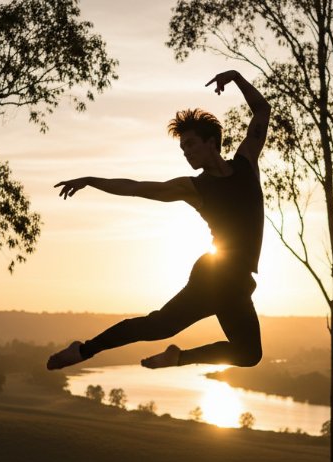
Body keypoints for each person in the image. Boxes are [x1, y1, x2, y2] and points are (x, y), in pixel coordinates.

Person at [47, 70, 270, 370]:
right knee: (157, 327)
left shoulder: (246, 163)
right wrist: (91, 180)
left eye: (191, 144)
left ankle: (177, 357)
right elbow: (137, 188)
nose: (186, 153)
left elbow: (262, 110)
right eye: (183, 149)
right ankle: (85, 350)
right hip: (216, 275)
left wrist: (235, 77)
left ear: (212, 142)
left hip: (238, 281)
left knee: (248, 355)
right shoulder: (193, 188)